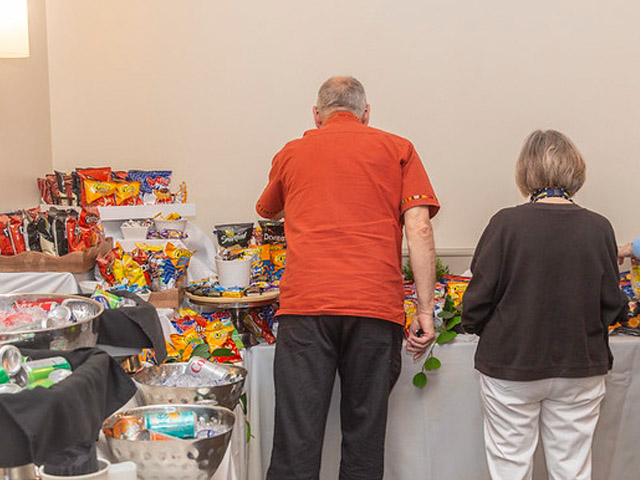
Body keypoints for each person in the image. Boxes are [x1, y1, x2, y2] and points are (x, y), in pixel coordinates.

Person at [256, 76, 440, 480]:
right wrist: (425, 310)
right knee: (364, 439)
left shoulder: (292, 152)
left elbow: (268, 210)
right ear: (366, 113)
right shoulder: (399, 149)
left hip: (306, 307)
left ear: (316, 115)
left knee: (295, 442)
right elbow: (419, 227)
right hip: (375, 307)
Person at [461, 130, 627, 480]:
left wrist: (477, 325)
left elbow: (475, 302)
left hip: (510, 362)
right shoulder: (599, 227)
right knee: (572, 468)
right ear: (575, 170)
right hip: (580, 364)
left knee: (510, 467)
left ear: (525, 171)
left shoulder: (505, 224)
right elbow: (613, 306)